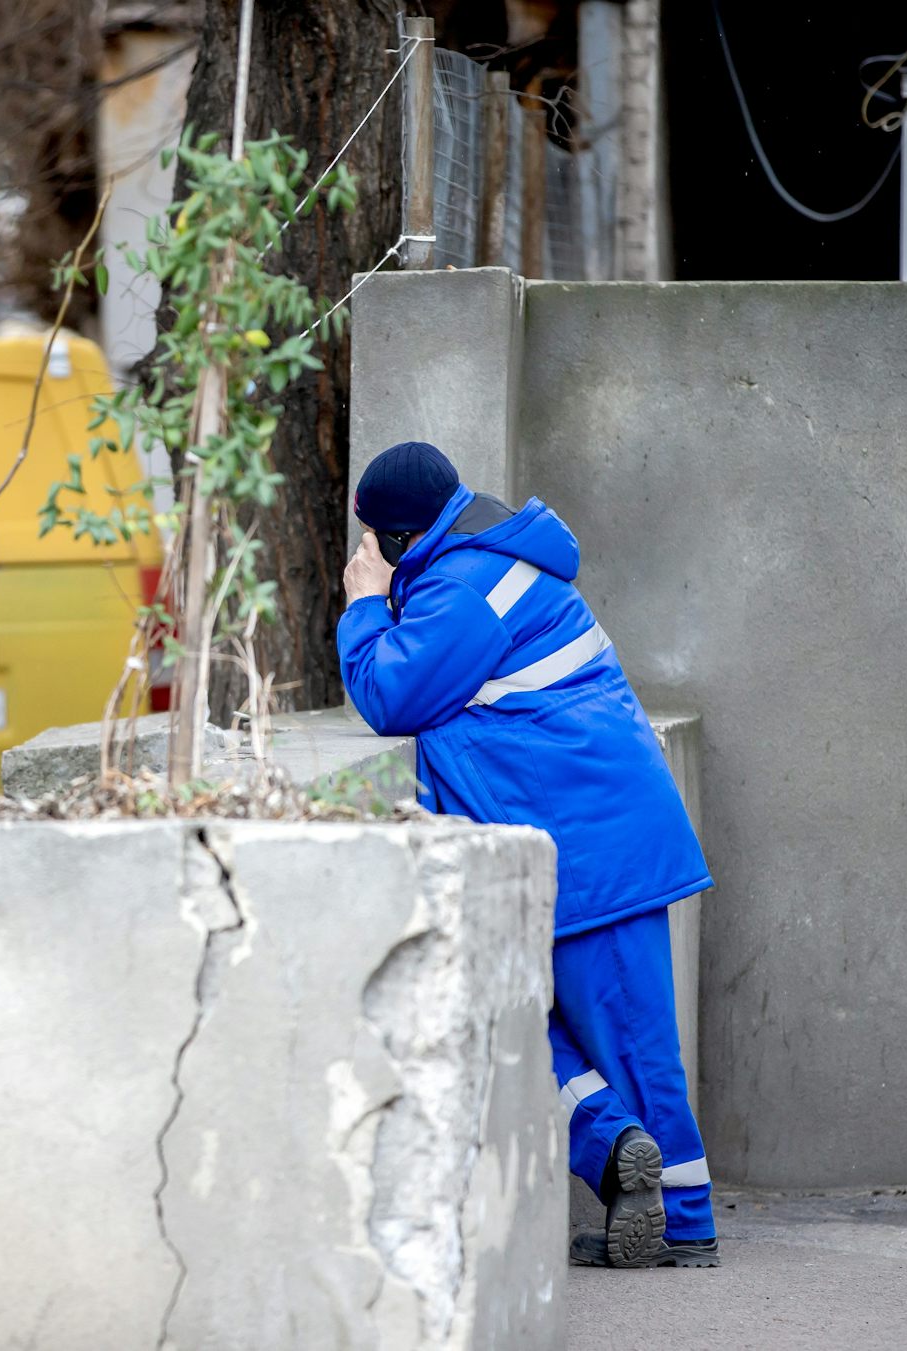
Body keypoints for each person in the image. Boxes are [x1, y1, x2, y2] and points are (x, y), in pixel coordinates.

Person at [337, 440, 720, 1269]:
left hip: (590, 849)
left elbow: (388, 694)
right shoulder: (479, 564)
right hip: (575, 831)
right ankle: (619, 1149)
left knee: (630, 1044)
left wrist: (366, 602)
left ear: (400, 539)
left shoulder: (467, 589)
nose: (367, 554)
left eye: (373, 541)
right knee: (520, 1021)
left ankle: (685, 1223)